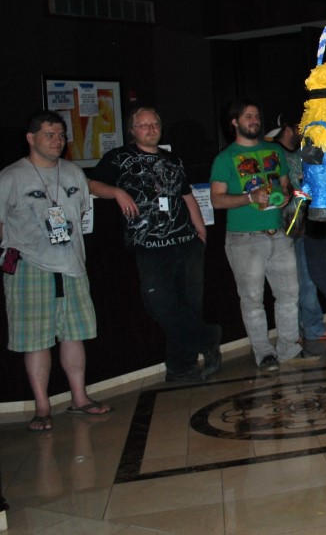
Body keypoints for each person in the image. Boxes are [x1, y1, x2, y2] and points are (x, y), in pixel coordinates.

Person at [88, 106, 222, 383]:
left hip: (187, 242)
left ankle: (180, 367)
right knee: (159, 303)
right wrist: (117, 192)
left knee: (189, 305)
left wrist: (200, 231)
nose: (150, 129)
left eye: (155, 124)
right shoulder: (119, 157)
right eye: (143, 125)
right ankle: (208, 337)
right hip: (149, 247)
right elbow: (91, 184)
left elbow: (187, 195)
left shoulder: (172, 159)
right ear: (132, 130)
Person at [1, 110, 112, 431]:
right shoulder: (11, 176)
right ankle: (42, 407)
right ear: (30, 138)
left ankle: (80, 398)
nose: (57, 141)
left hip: (72, 266)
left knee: (74, 334)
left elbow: (81, 212)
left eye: (61, 135)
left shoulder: (73, 172)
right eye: (49, 135)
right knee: (36, 339)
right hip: (30, 267)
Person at [210, 98, 312, 372]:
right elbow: (217, 200)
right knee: (253, 300)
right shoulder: (225, 158)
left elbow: (286, 186)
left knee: (290, 295)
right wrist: (249, 197)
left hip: (278, 234)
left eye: (256, 116)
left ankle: (289, 347)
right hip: (244, 239)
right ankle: (264, 353)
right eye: (248, 116)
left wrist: (285, 196)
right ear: (234, 122)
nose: (254, 120)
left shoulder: (274, 151)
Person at [267, 113, 326, 344]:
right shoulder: (273, 153)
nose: (303, 129)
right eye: (299, 126)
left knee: (307, 280)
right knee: (291, 284)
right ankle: (300, 330)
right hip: (282, 227)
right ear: (289, 129)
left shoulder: (304, 151)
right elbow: (276, 189)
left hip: (305, 226)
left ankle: (311, 329)